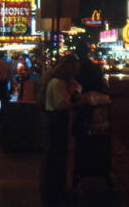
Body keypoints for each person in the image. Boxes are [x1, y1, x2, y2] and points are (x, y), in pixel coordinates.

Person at [40, 54, 89, 207]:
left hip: (57, 122)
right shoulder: (56, 83)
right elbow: (62, 104)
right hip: (56, 123)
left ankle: (56, 192)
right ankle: (53, 194)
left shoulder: (60, 82)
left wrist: (74, 89)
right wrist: (72, 93)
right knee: (54, 158)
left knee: (58, 158)